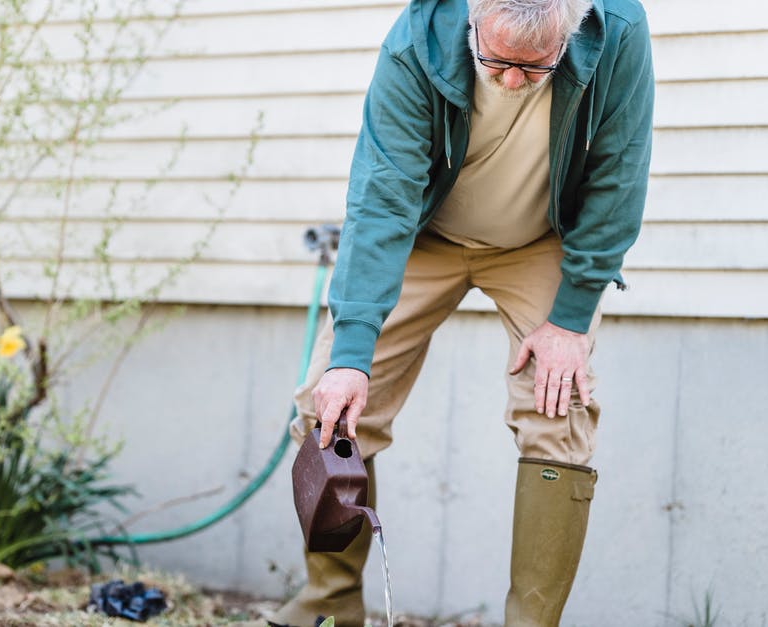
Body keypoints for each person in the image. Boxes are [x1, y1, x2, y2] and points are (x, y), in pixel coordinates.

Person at [267, 0, 654, 625]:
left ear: (572, 30)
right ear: (472, 19)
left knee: (559, 408)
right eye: (495, 61)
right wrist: (351, 354)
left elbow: (620, 173)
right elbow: (383, 196)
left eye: (536, 68)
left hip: (540, 243)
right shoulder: (417, 41)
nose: (509, 82)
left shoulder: (618, 31)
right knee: (329, 398)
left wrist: (572, 318)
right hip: (425, 236)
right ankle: (330, 604)